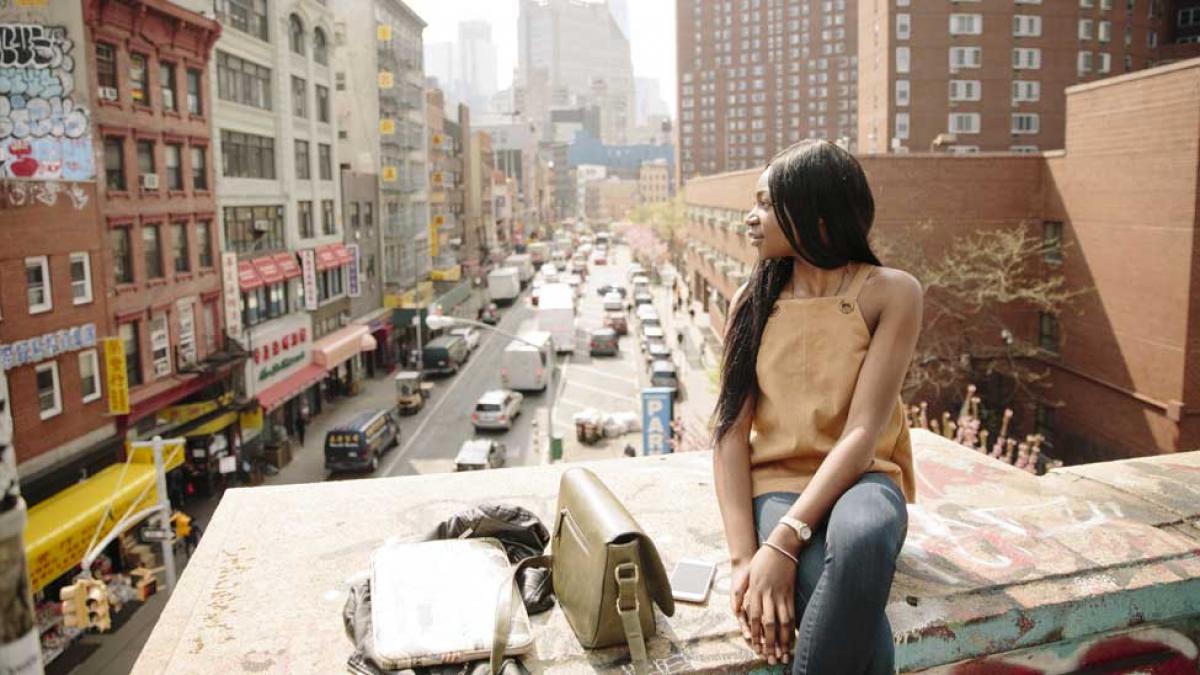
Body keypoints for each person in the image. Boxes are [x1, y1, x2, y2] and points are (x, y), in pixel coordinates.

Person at [711, 140, 922, 674]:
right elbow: (730, 436)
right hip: (778, 484)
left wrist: (782, 543)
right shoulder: (750, 303)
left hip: (865, 476)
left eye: (765, 204)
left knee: (864, 539)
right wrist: (745, 559)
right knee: (826, 593)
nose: (749, 218)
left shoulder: (891, 293)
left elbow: (861, 432)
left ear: (817, 214)